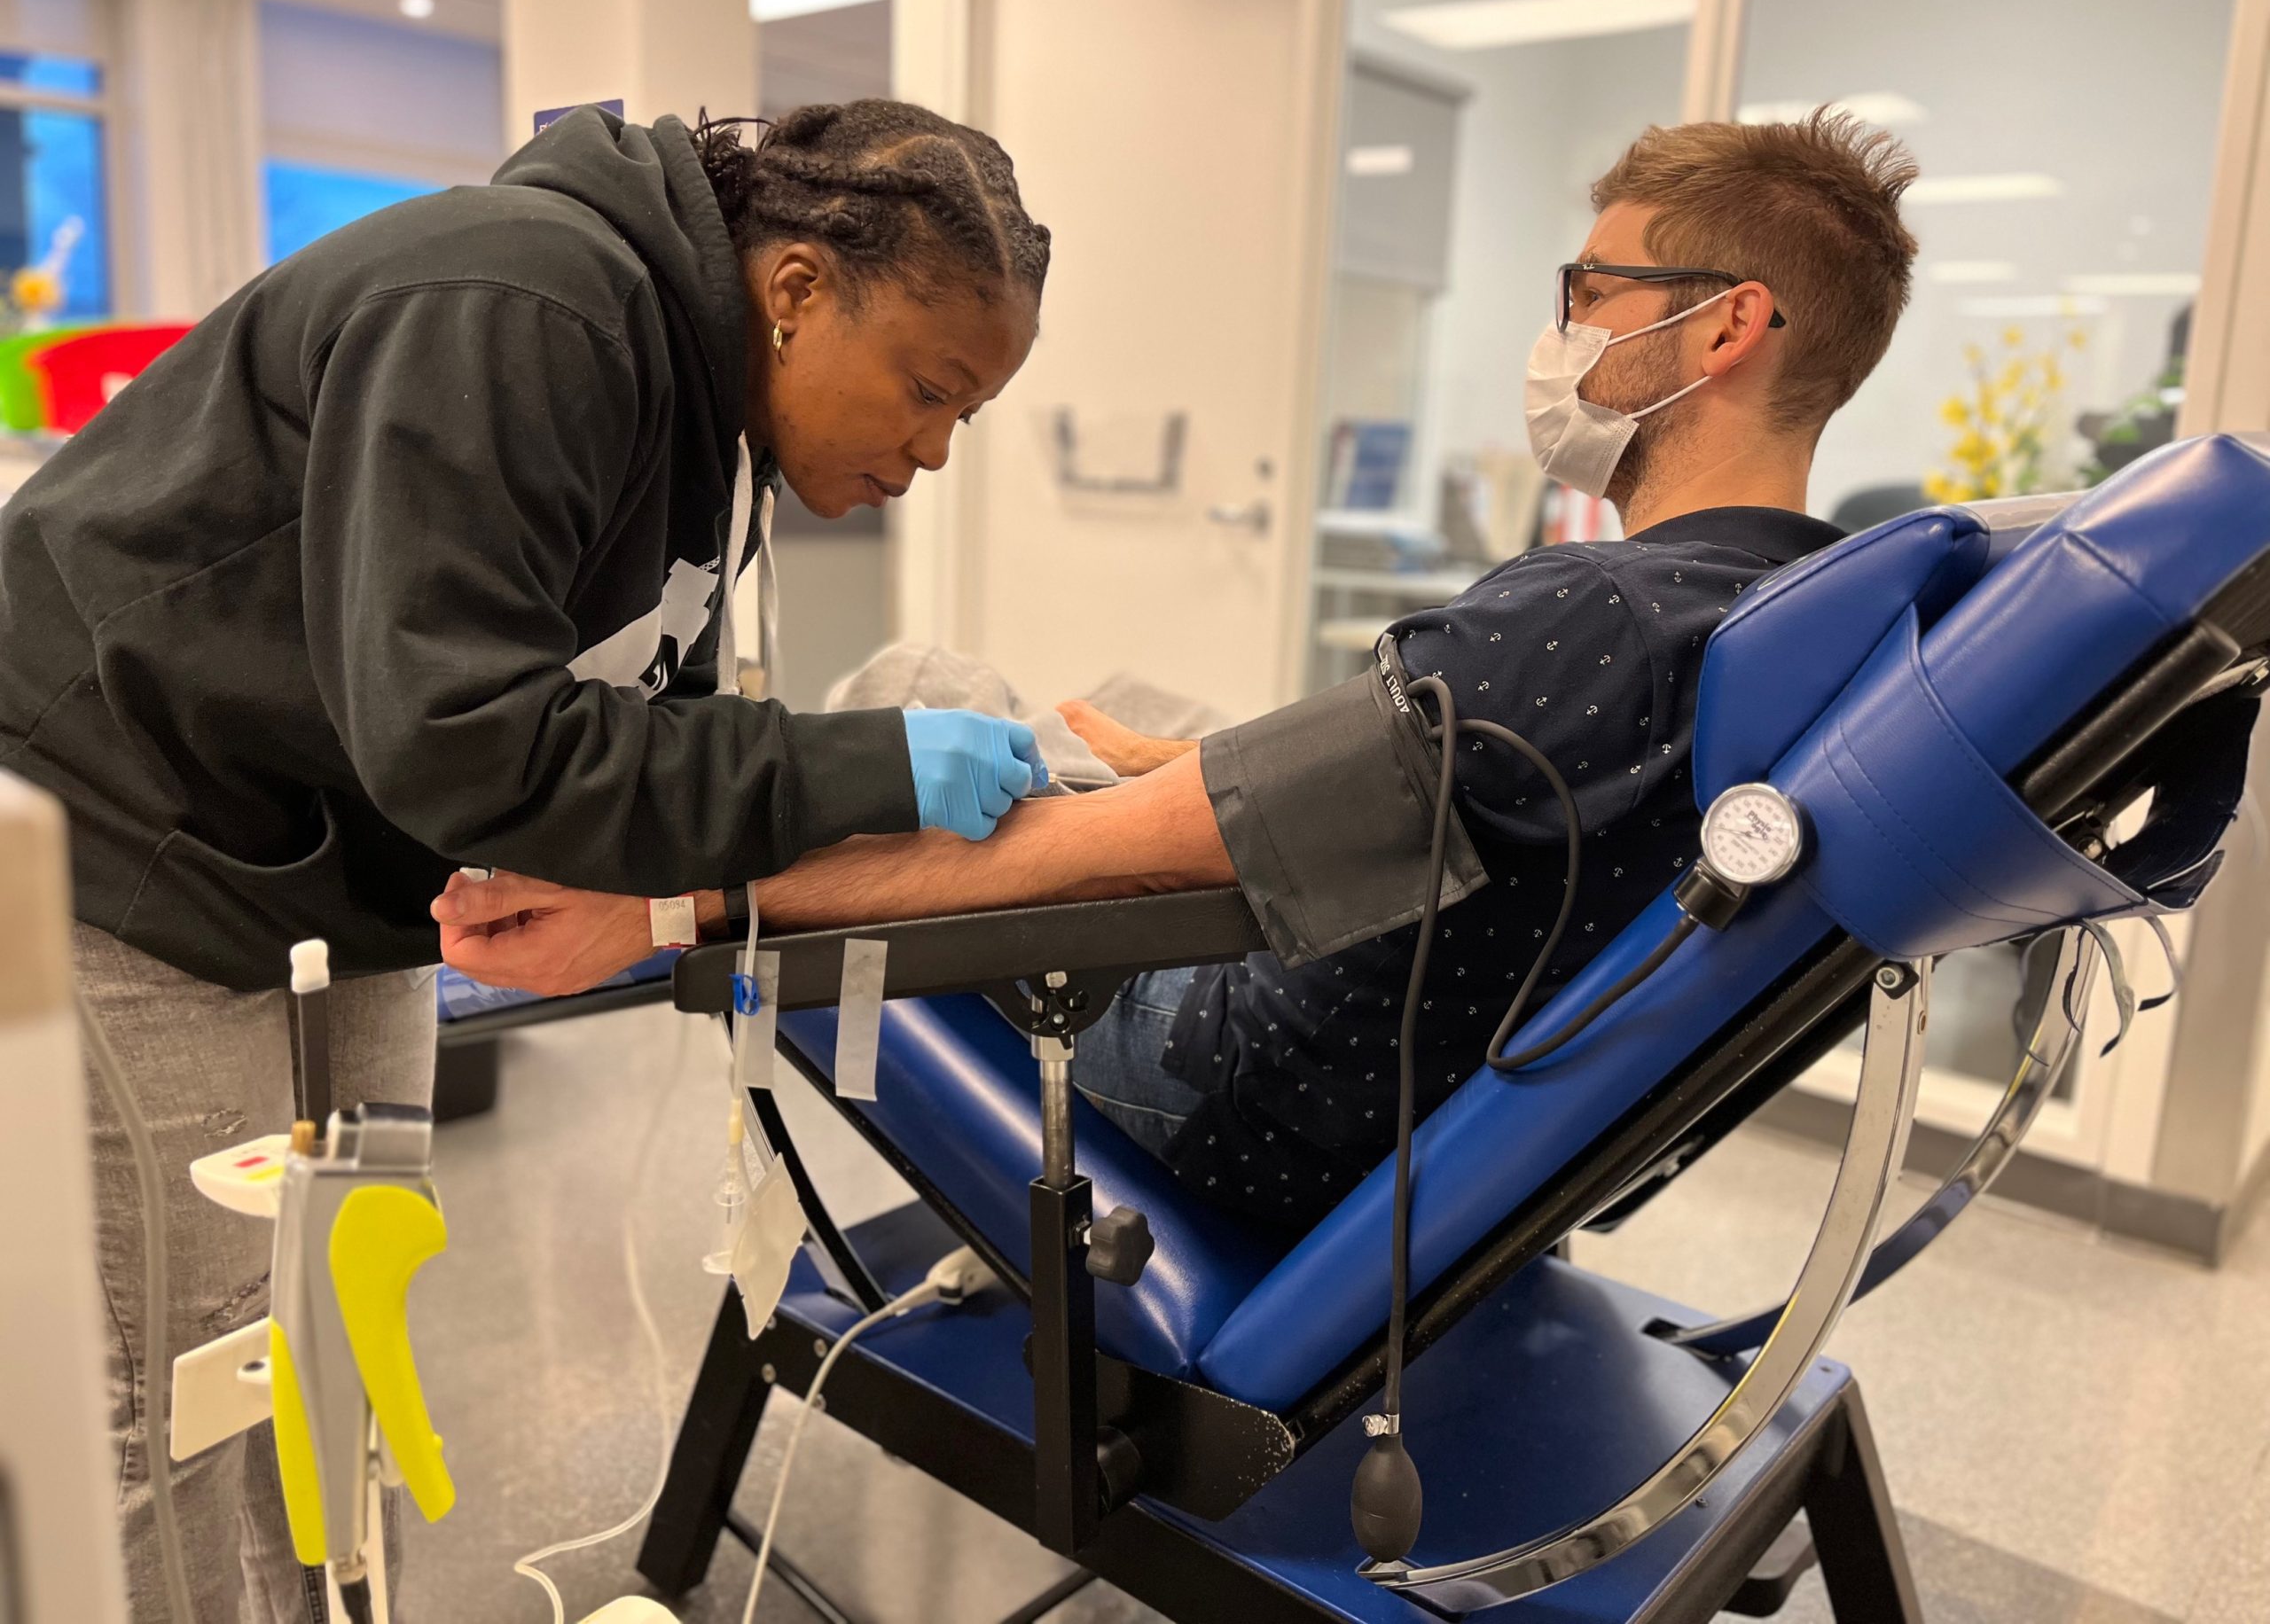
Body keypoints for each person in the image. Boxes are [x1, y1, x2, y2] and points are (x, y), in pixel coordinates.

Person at [439, 111, 1918, 1232]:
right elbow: (1466, 792)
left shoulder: (1596, 615)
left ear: (1725, 324)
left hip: (1230, 1082)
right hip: (1398, 1042)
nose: (1562, 332)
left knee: (920, 676)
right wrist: (1191, 775)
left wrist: (664, 907)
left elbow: (1088, 857)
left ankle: (527, 907)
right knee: (1114, 714)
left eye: (1592, 290)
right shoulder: (1795, 598)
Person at [0, 98, 1055, 1620]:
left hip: (328, 859)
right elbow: (465, 740)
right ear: (800, 287)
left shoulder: (708, 422)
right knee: (180, 1376)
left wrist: (639, 890)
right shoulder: (520, 307)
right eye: (929, 389)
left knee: (340, 1333)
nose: (936, 450)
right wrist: (860, 762)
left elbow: (624, 709)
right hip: (118, 833)